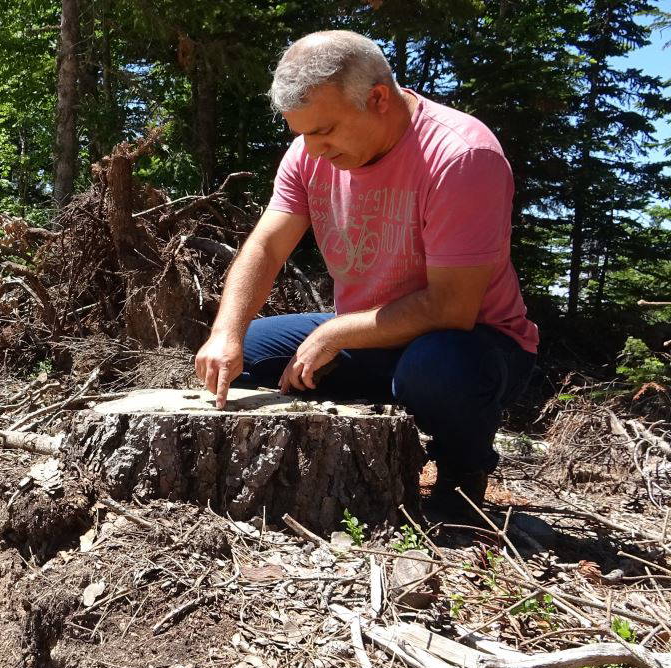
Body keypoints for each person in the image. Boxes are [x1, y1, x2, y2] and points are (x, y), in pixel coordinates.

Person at [193, 30, 538, 522]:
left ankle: (461, 485)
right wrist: (226, 333)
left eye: (325, 131)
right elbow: (266, 247)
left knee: (436, 370)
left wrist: (335, 332)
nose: (313, 150)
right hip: (372, 333)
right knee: (242, 358)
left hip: (475, 343)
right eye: (302, 134)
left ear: (377, 98)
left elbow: (451, 308)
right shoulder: (308, 156)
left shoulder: (461, 156)